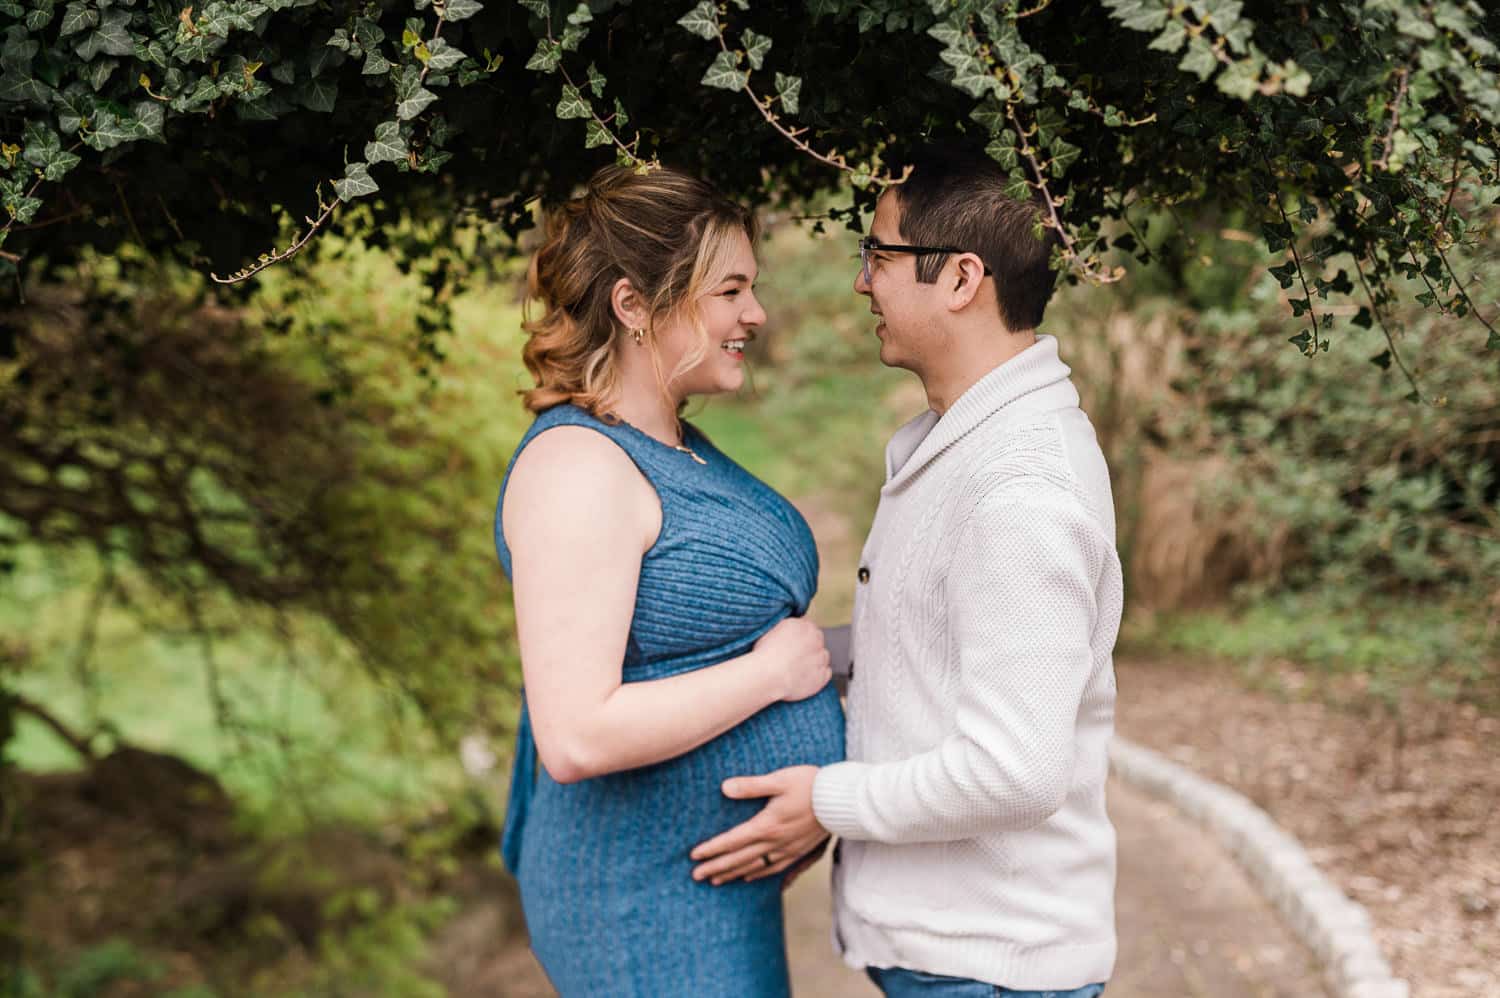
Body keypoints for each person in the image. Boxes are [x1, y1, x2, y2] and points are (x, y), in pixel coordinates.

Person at [690, 146, 1123, 998]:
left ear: (962, 279)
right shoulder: (966, 445)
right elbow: (946, 638)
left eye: (879, 256)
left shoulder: (1018, 490)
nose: (863, 282)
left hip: (989, 968)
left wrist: (827, 799)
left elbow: (1015, 771)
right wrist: (806, 656)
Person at [492, 164, 844, 997]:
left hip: (709, 890)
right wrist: (772, 677)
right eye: (730, 291)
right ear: (634, 306)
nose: (754, 314)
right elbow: (576, 734)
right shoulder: (578, 466)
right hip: (638, 900)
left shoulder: (675, 444)